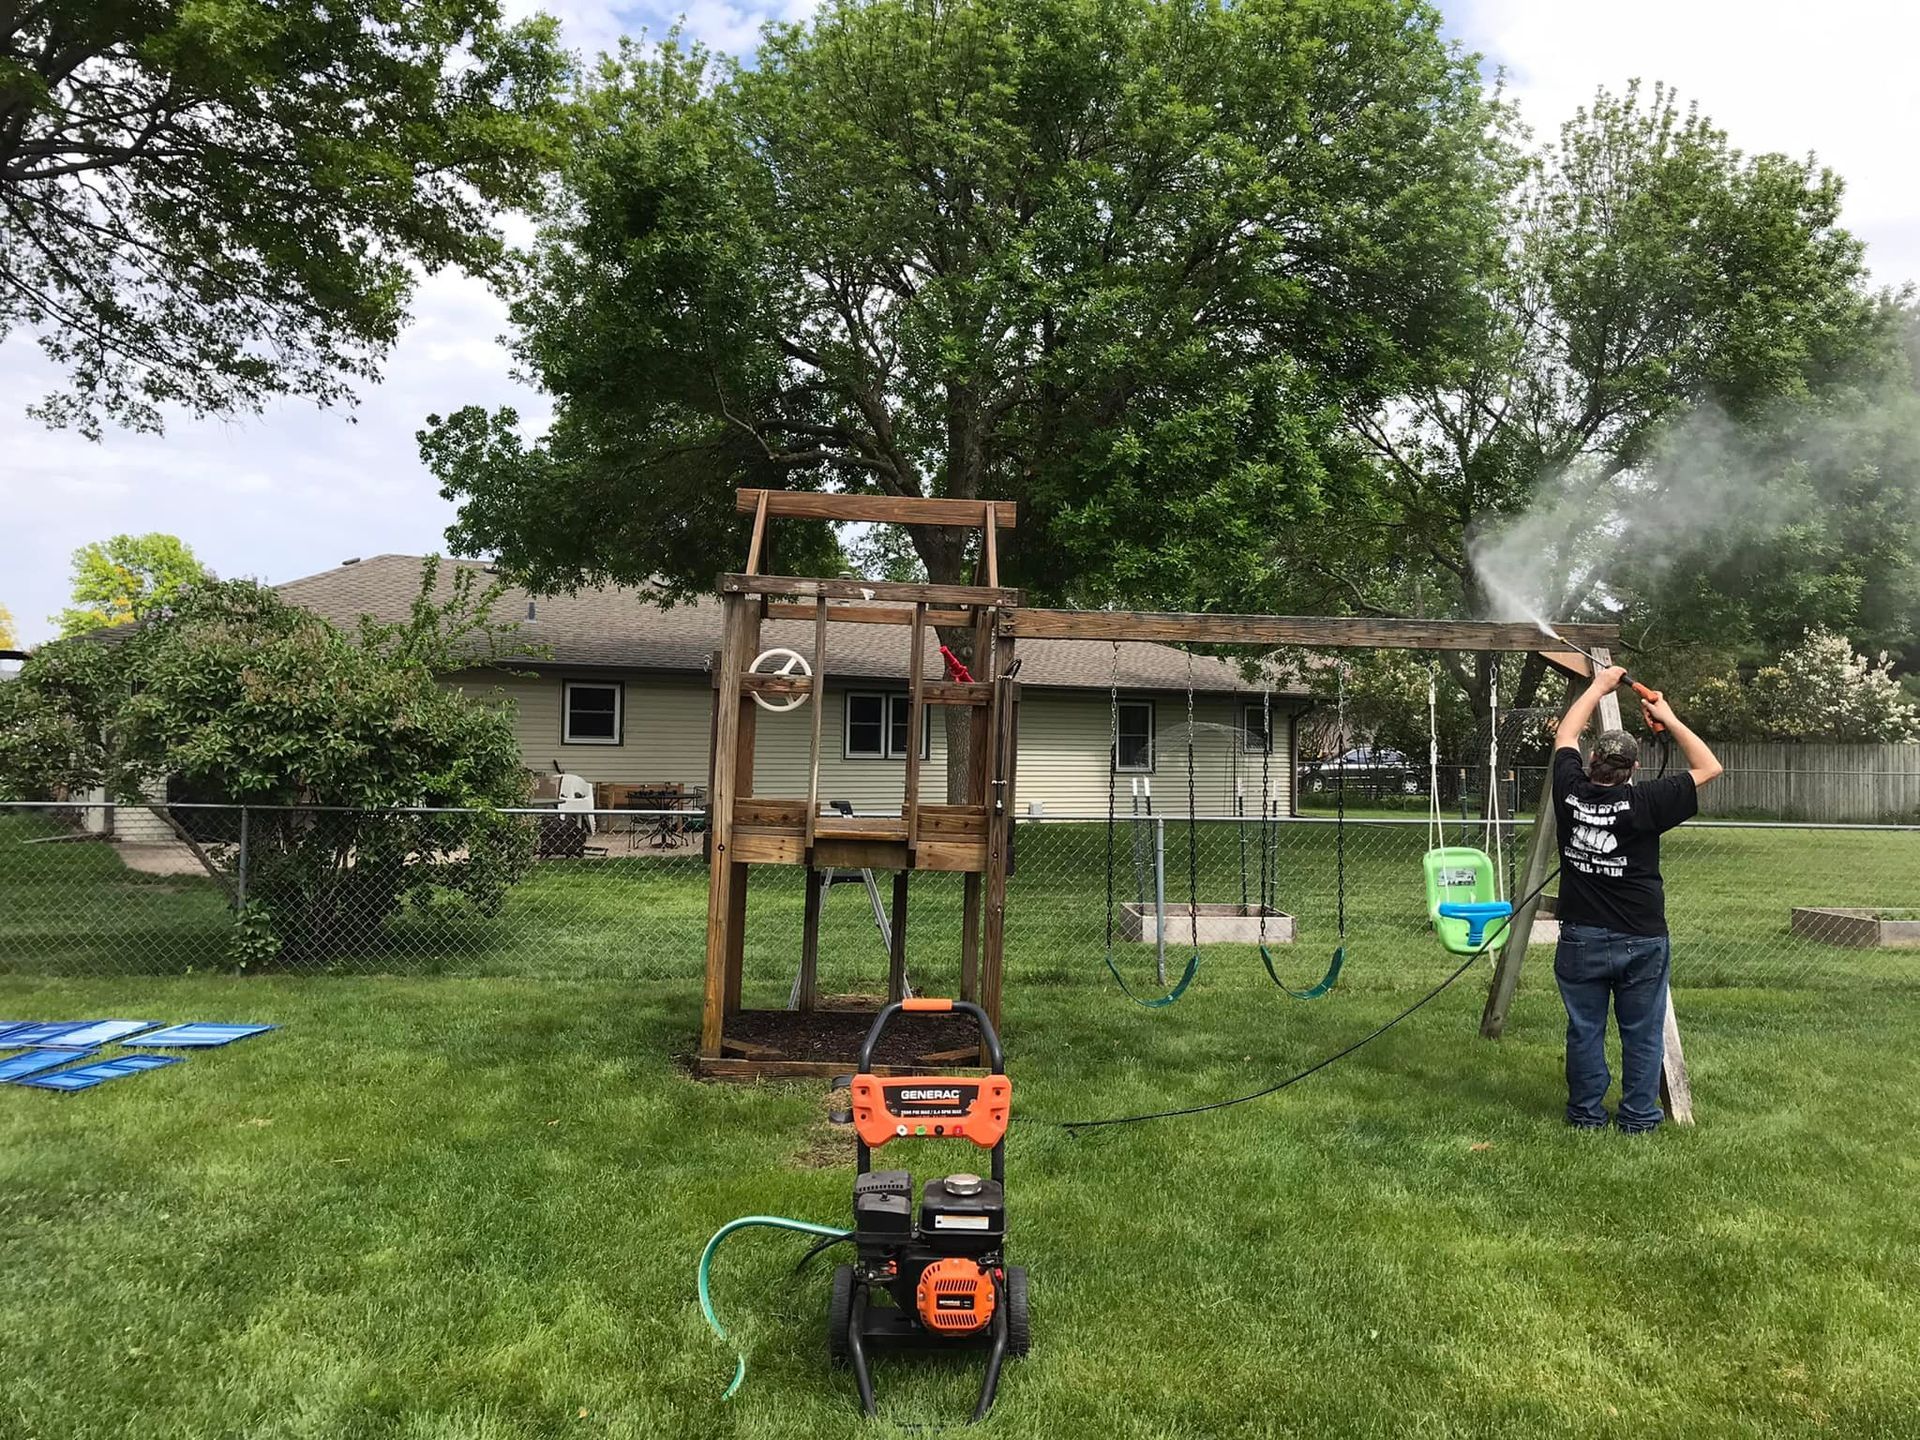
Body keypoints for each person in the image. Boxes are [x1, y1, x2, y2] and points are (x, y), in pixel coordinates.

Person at [1549, 666, 1722, 1133]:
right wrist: (1668, 715)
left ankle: (1586, 1117)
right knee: (1641, 1034)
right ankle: (1639, 1119)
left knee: (1585, 1029)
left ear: (1590, 761)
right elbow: (1709, 767)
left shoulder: (1568, 790)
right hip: (1641, 939)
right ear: (1634, 769)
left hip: (1580, 938)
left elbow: (1566, 732)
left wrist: (1598, 688)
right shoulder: (1646, 802)